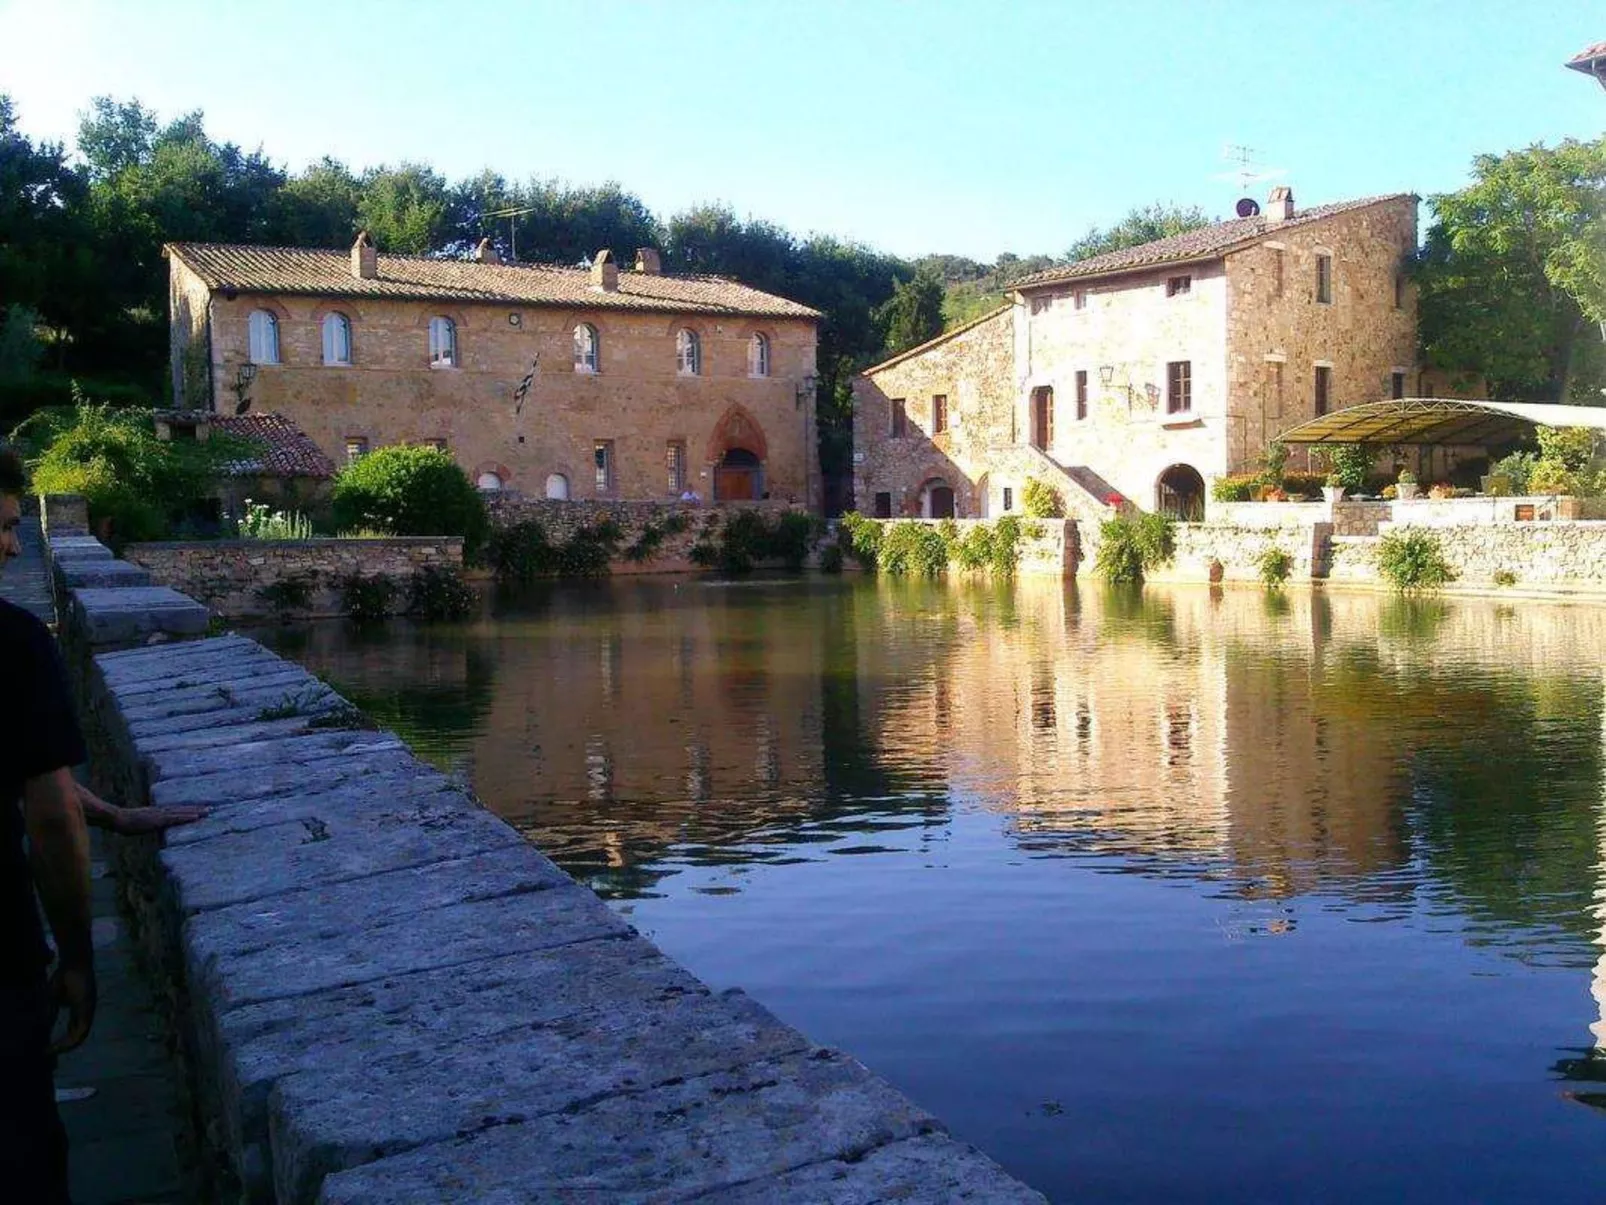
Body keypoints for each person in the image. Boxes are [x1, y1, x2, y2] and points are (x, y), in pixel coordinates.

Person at [1, 447, 203, 1201]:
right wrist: (79, 959)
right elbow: (49, 815)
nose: (14, 546)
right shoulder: (16, 645)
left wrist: (110, 810)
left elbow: (28, 771)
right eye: (3, 527)